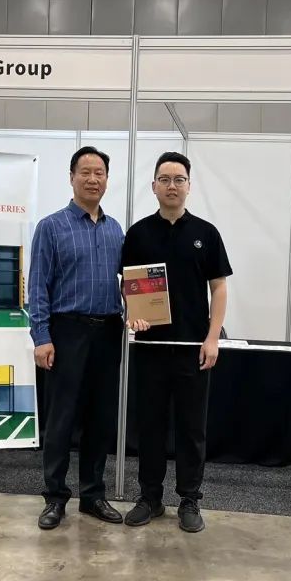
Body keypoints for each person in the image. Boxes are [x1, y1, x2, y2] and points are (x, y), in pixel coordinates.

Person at [121, 151, 231, 533]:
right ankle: (150, 497)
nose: (172, 186)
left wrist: (212, 338)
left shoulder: (206, 234)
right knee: (149, 426)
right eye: (164, 179)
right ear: (153, 186)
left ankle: (189, 500)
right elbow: (127, 286)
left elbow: (219, 289)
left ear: (188, 186)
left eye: (178, 179)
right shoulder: (138, 234)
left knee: (191, 428)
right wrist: (131, 314)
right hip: (150, 349)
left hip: (193, 351)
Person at [28, 146, 126, 530]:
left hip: (109, 332)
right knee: (61, 419)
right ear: (71, 177)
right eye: (85, 172)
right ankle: (55, 497)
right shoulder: (51, 227)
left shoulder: (116, 230)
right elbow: (38, 286)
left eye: (99, 172)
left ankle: (93, 495)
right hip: (66, 331)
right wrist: (41, 336)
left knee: (100, 418)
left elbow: (129, 284)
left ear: (107, 180)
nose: (92, 179)